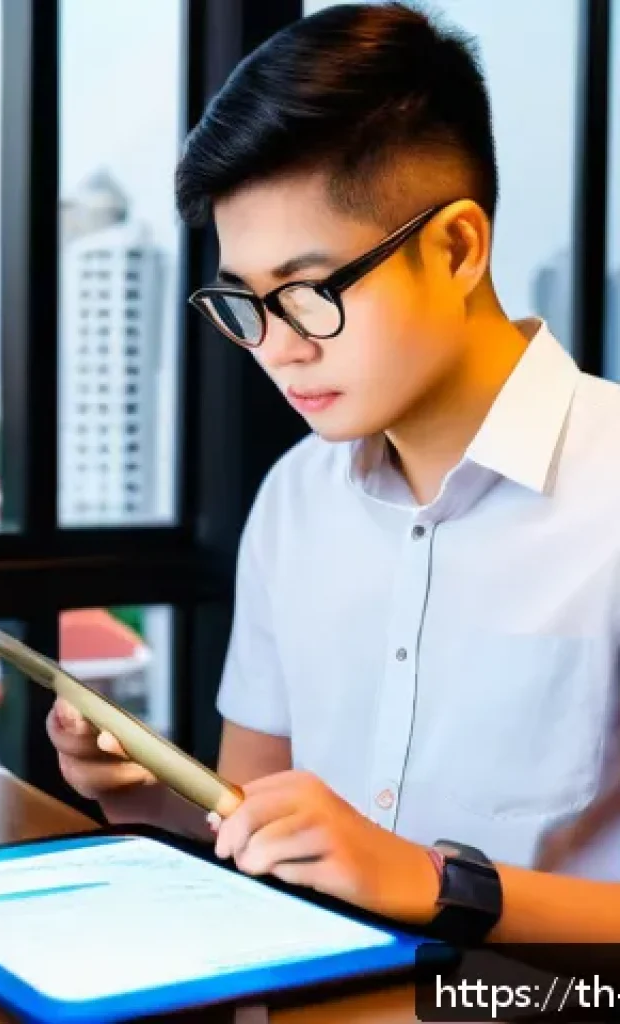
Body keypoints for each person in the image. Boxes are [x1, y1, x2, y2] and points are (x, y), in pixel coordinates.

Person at [49, 2, 620, 944]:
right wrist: (156, 800)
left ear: (457, 248)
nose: (275, 347)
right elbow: (253, 829)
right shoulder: (296, 502)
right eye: (244, 301)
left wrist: (433, 885)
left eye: (310, 293)